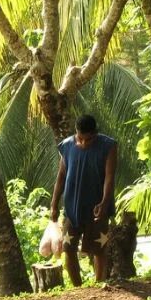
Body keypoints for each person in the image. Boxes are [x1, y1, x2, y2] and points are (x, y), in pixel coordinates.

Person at [49, 114, 118, 286]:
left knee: (99, 249)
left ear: (95, 133)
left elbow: (110, 177)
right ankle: (78, 288)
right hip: (72, 208)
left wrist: (104, 202)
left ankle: (100, 283)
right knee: (68, 248)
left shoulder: (108, 146)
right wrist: (54, 204)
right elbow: (61, 177)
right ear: (76, 133)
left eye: (89, 139)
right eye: (81, 139)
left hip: (97, 207)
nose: (85, 143)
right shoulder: (66, 146)